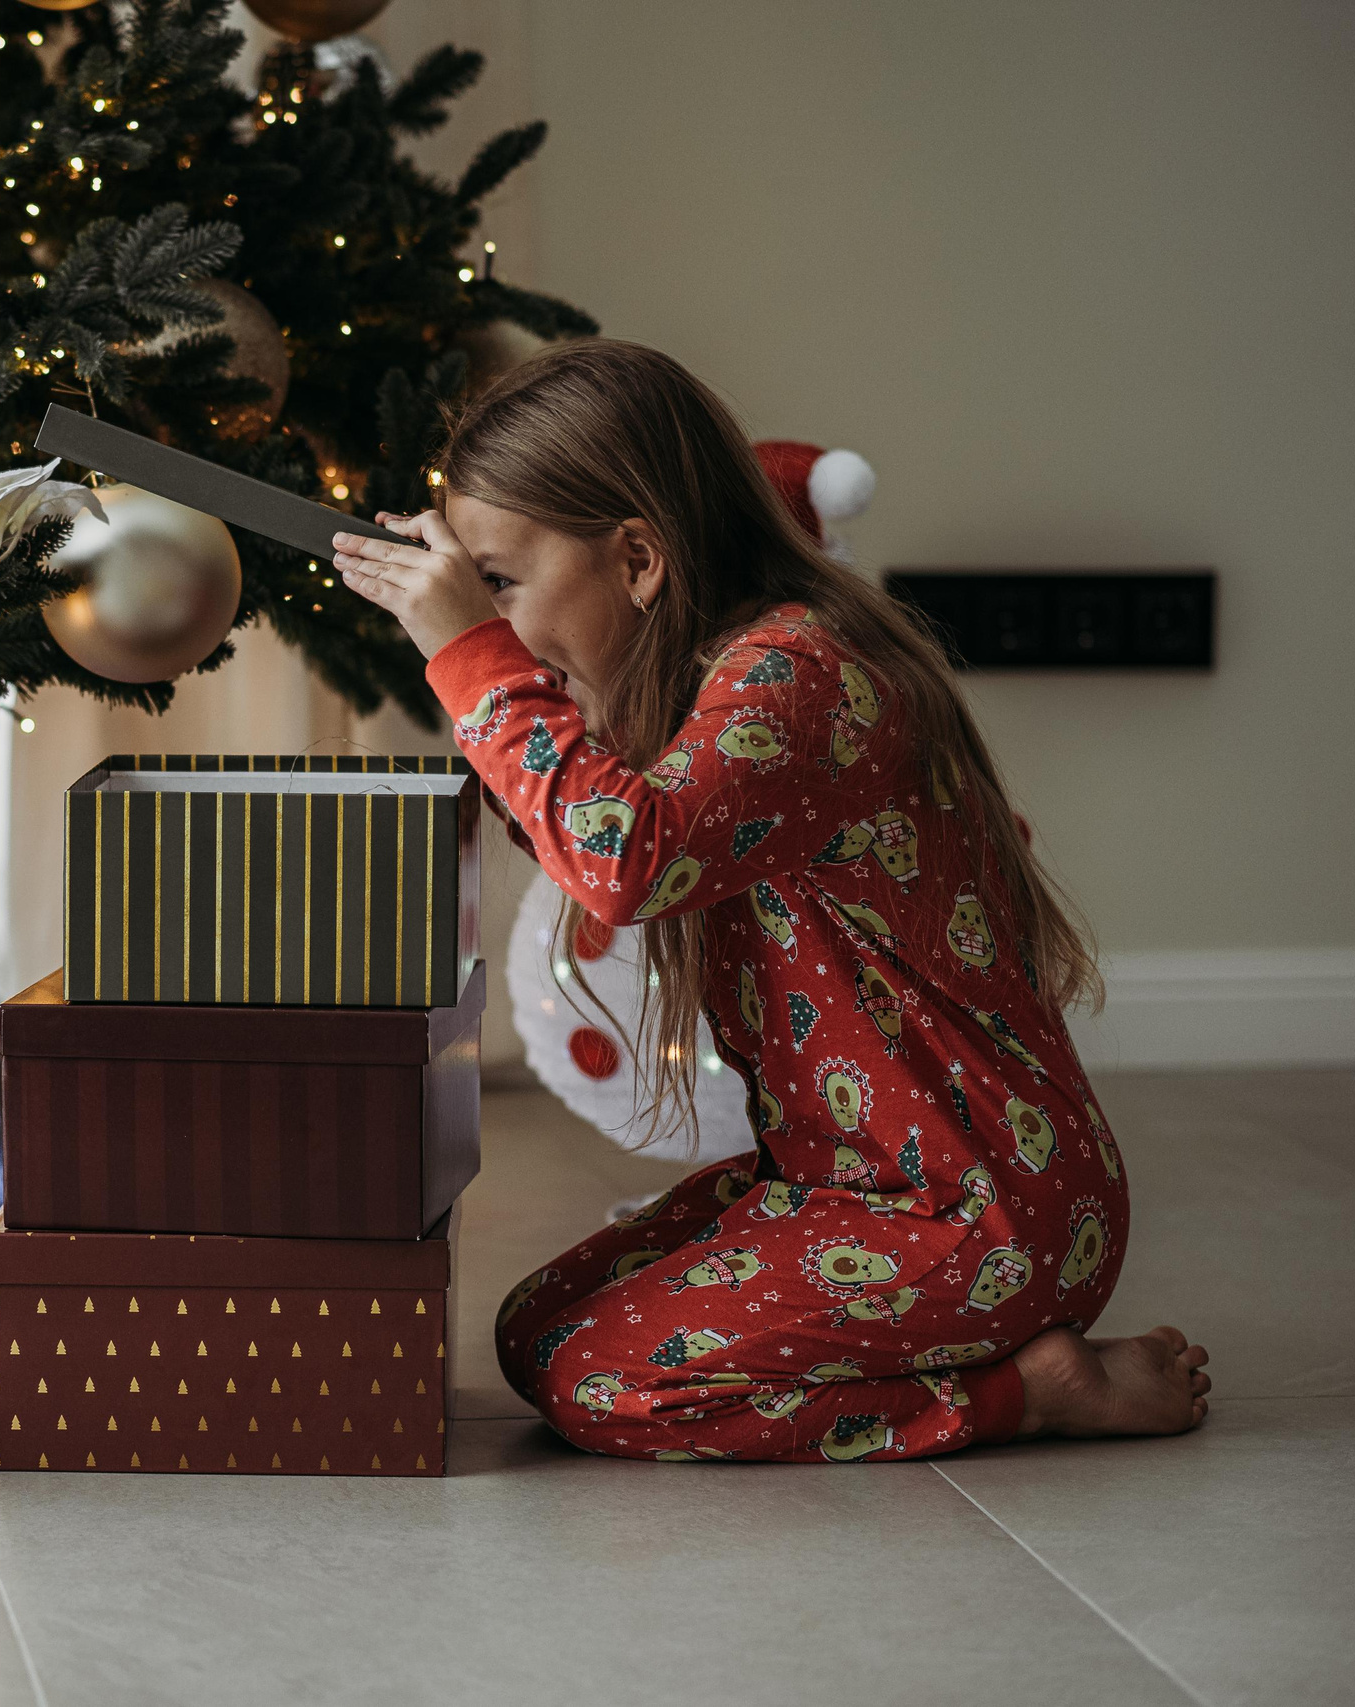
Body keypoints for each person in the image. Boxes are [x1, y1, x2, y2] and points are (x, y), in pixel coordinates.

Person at [334, 341, 1208, 1462]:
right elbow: (581, 828)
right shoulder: (713, 675)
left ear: (638, 559)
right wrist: (473, 653)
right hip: (845, 1182)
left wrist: (472, 656)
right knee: (536, 1328)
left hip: (975, 1211)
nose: (494, 621)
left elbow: (625, 860)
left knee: (596, 1380)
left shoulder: (798, 674)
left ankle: (1025, 1392)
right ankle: (981, 1356)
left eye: (500, 583)